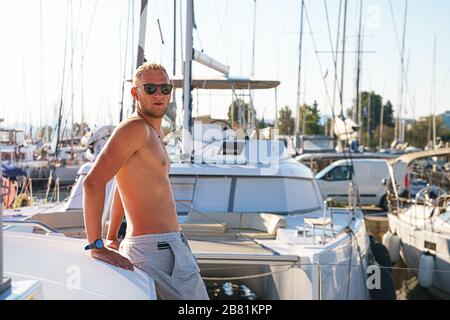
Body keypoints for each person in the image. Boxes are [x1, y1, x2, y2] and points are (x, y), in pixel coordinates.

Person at [83, 63, 208, 300]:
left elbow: (123, 183)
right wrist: (97, 245)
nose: (159, 94)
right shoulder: (135, 128)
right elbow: (93, 182)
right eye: (150, 89)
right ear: (135, 93)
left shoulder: (152, 130)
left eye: (165, 88)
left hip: (161, 247)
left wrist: (111, 235)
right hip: (157, 249)